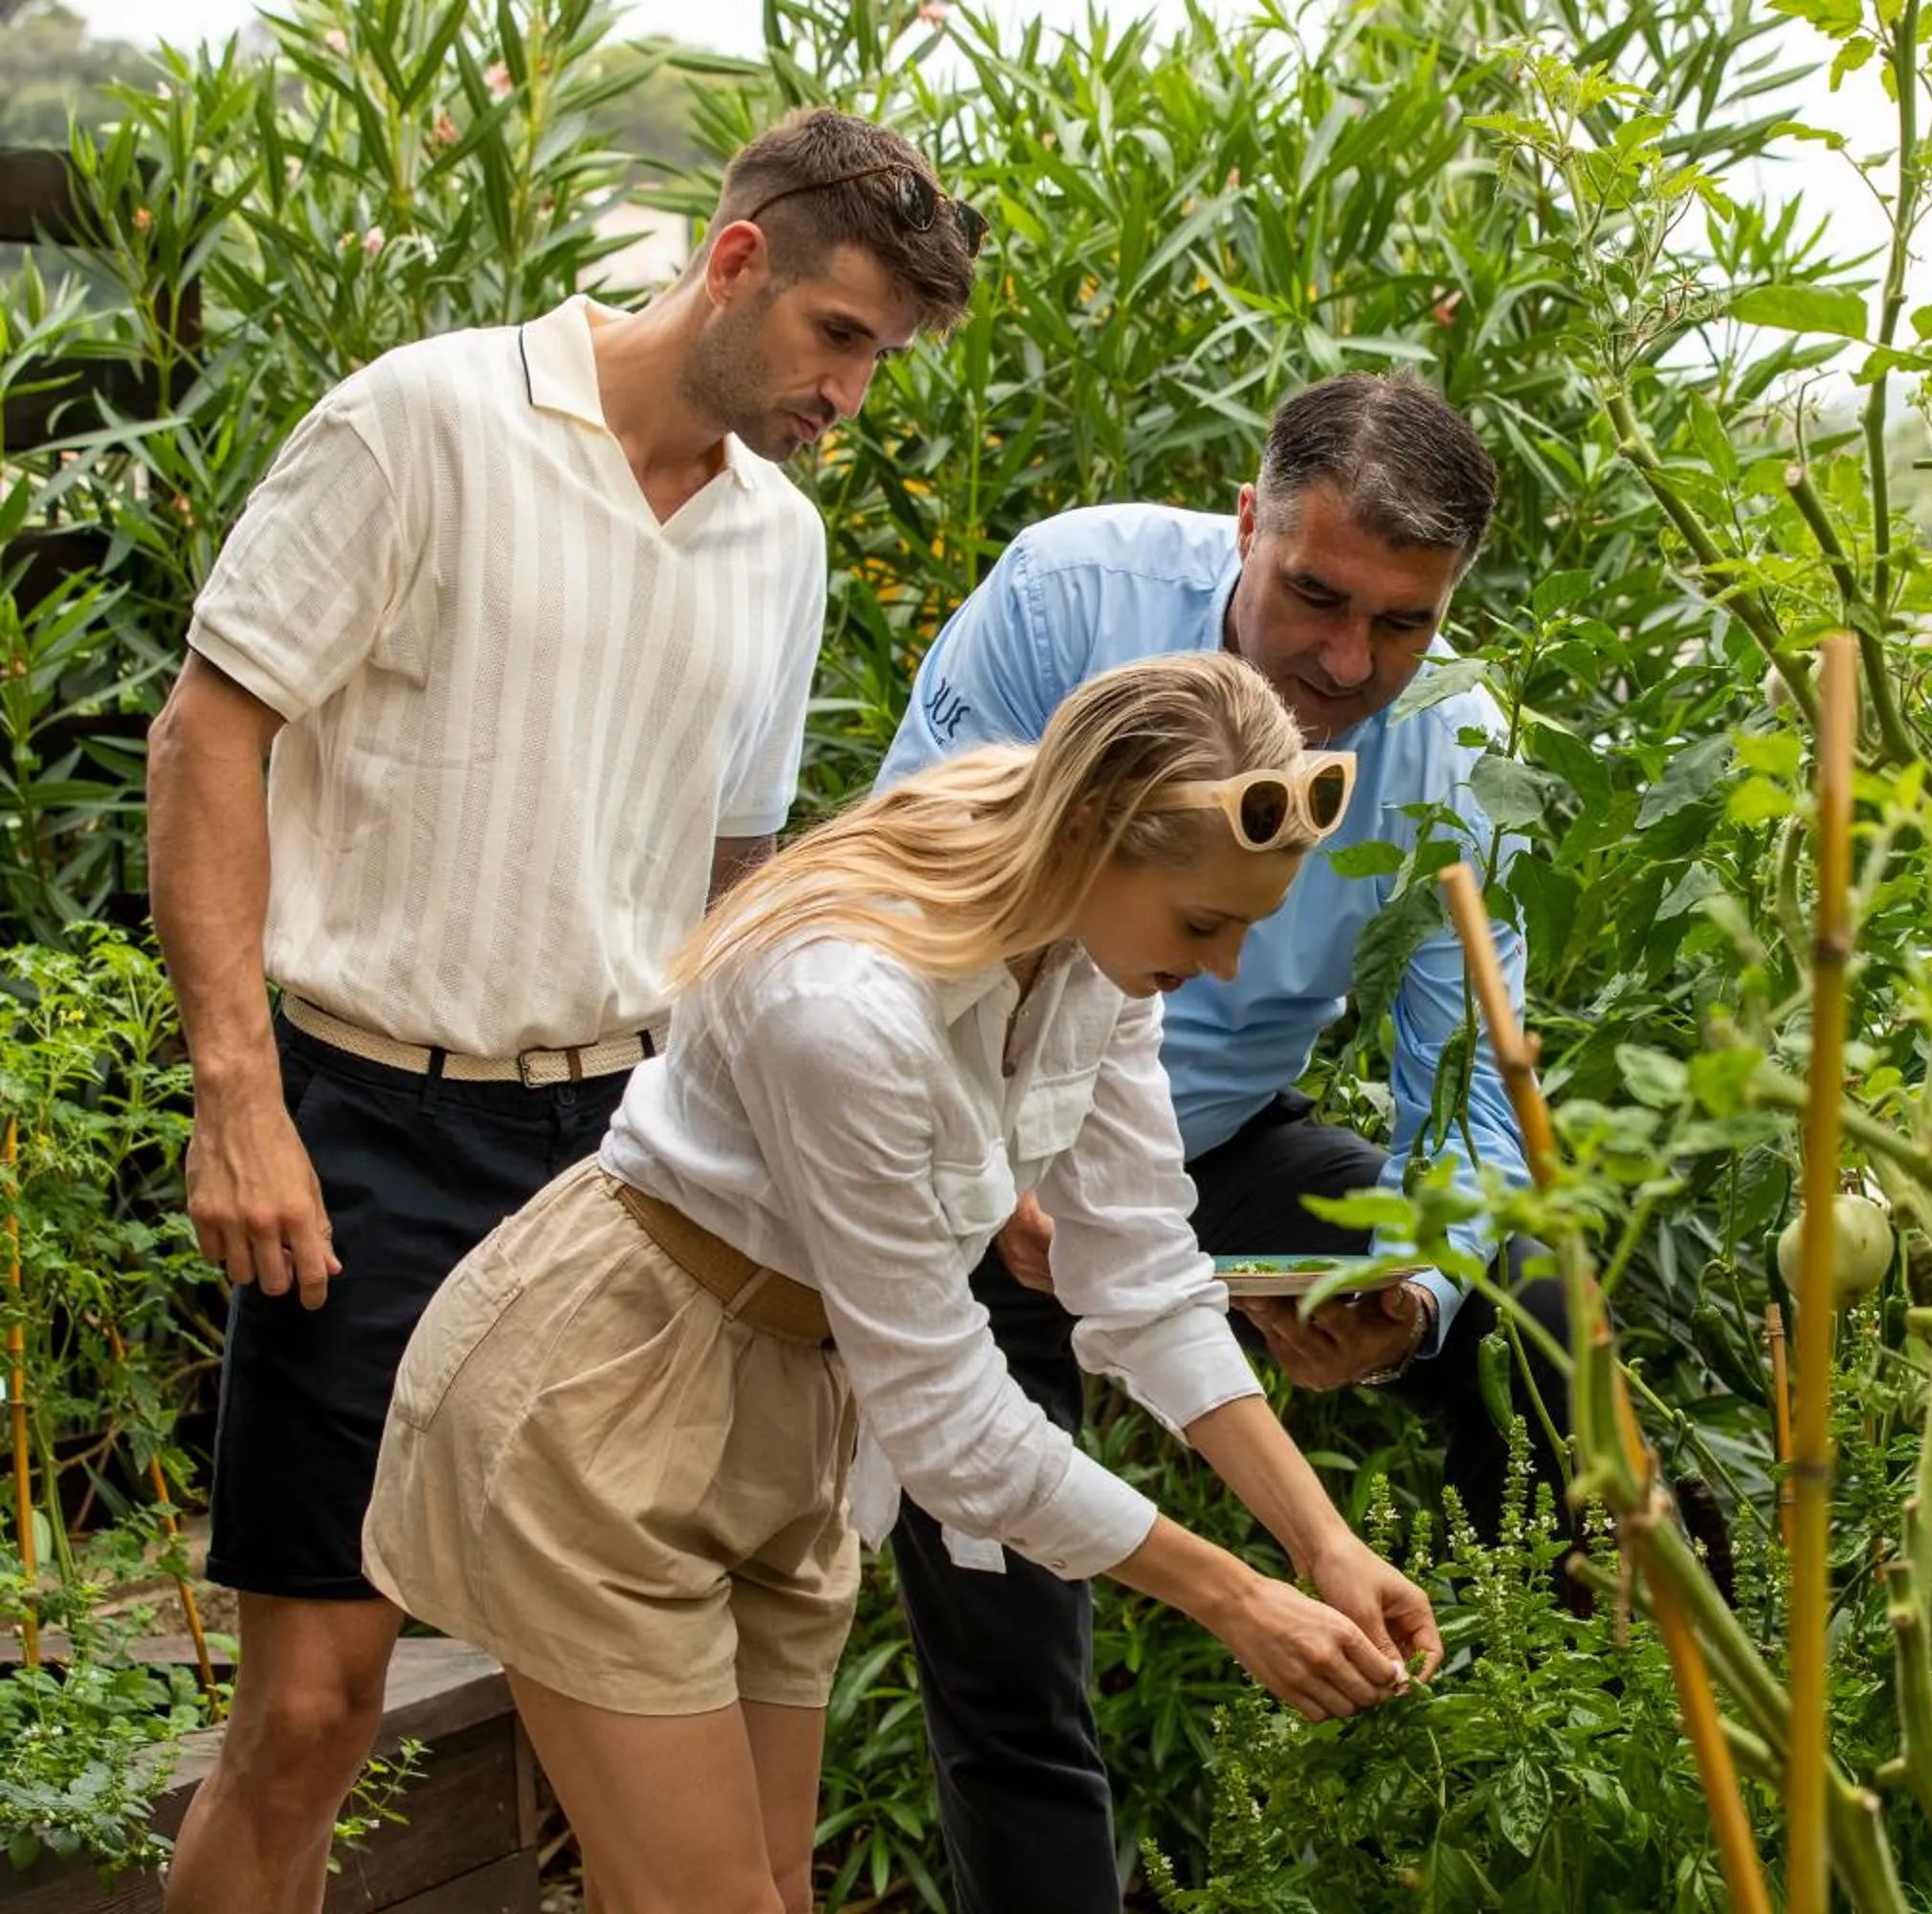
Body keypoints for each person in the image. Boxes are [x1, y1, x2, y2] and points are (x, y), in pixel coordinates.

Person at [143, 109, 979, 1914]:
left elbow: (730, 884)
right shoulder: (424, 421)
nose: (850, 394)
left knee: (639, 1730)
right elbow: (208, 733)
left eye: (882, 362)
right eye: (841, 337)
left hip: (618, 1167)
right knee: (309, 1712)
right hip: (365, 1122)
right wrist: (238, 1100)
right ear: (735, 258)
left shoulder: (781, 546)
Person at [362, 650, 1438, 1914]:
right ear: (1092, 830)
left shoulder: (1093, 947)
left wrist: (1322, 1546)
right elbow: (952, 1424)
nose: (1228, 971)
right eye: (1207, 925)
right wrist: (1236, 1598)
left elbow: (1141, 1274)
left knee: (767, 1885)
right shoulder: (846, 1001)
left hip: (798, 1402)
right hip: (612, 1386)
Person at [877, 371, 1566, 1912]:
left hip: (1206, 1133)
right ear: (1245, 521)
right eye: (1316, 597)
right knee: (1007, 1597)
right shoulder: (1069, 599)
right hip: (957, 1130)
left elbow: (1473, 1092)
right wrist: (1000, 1187)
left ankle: (1587, 1714)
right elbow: (908, 925)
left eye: (1403, 627)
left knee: (1537, 1298)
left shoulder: (1456, 750)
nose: (1346, 661)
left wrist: (1417, 1293)